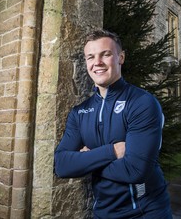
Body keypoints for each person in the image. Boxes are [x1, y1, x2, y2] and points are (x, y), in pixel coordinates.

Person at [54, 29, 172, 218]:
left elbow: (135, 170)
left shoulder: (141, 102)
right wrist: (113, 152)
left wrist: (87, 159)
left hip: (145, 211)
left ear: (121, 57)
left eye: (105, 54)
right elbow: (61, 166)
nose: (97, 63)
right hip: (102, 212)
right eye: (90, 57)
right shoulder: (79, 112)